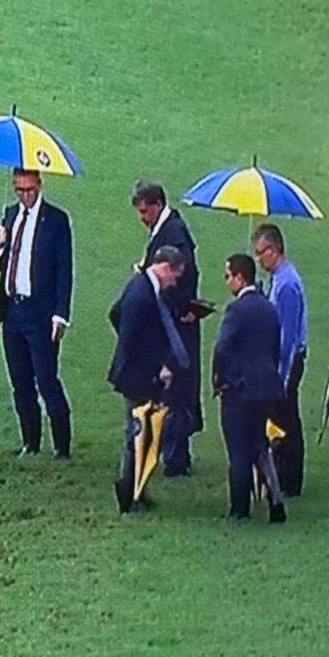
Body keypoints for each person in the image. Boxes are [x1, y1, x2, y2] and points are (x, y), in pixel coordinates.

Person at [0, 169, 73, 458]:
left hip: (41, 315)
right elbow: (2, 263)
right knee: (20, 382)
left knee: (47, 380)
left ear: (39, 185)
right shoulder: (10, 215)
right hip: (12, 311)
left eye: (29, 189)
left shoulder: (56, 221)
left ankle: (62, 446)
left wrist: (60, 314)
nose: (24, 195)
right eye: (19, 190)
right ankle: (31, 442)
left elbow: (64, 270)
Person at [107, 245, 190, 513]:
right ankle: (128, 496)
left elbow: (115, 313)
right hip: (138, 377)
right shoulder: (142, 295)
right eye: (175, 276)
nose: (174, 283)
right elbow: (133, 339)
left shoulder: (141, 286)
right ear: (164, 268)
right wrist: (158, 367)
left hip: (137, 373)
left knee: (144, 435)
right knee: (137, 436)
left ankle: (138, 490)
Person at [131, 181, 203, 477]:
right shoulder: (169, 230)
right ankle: (175, 454)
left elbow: (185, 278)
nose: (142, 218)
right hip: (175, 323)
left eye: (145, 211)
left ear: (158, 205)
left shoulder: (174, 234)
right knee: (174, 390)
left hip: (175, 326)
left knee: (175, 391)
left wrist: (169, 302)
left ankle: (175, 459)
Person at [212, 253, 287, 522]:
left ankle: (239, 508)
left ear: (240, 278)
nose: (227, 282)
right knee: (259, 444)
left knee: (238, 450)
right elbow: (275, 348)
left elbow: (222, 348)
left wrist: (226, 379)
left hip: (241, 391)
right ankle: (276, 499)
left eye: (228, 276)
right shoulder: (269, 308)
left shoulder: (235, 310)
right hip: (267, 388)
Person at [253, 223, 307, 496]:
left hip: (288, 361)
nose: (258, 259)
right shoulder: (278, 279)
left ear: (273, 251)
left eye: (260, 253)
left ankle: (289, 481)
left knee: (285, 421)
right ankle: (283, 477)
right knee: (283, 418)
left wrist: (281, 376)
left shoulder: (286, 285)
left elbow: (287, 336)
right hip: (283, 359)